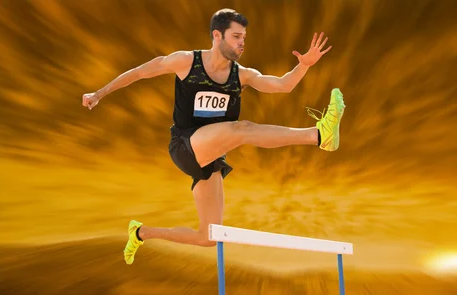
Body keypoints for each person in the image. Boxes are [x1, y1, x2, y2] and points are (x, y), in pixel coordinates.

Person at [81, 8, 345, 265]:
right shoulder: (185, 61)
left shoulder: (242, 75)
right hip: (184, 146)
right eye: (236, 36)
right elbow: (138, 73)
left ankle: (140, 233)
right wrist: (99, 94)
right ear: (217, 36)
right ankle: (318, 135)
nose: (242, 43)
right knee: (241, 129)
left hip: (209, 159)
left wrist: (303, 65)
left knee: (209, 237)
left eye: (244, 38)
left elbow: (282, 85)